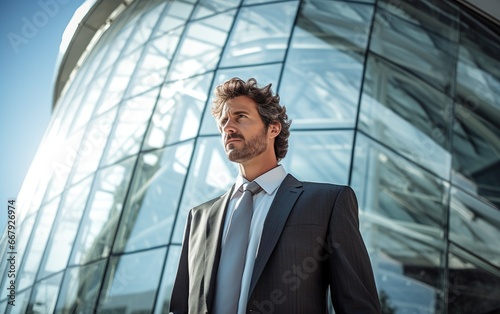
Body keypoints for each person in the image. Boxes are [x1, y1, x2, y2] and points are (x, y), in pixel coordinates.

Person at [169, 77, 381, 314]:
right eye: (223, 121)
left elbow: (358, 306)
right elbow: (180, 307)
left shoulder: (328, 203)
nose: (228, 127)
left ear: (273, 128)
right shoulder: (199, 217)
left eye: (241, 117)